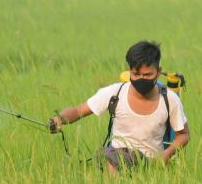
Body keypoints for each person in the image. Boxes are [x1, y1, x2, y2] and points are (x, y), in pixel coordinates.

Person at [48, 41, 190, 174]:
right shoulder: (115, 93)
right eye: (136, 74)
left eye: (147, 75)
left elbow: (183, 134)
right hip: (117, 157)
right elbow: (79, 110)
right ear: (129, 72)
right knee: (112, 158)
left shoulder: (170, 99)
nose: (141, 79)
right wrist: (59, 119)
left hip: (150, 164)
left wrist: (165, 155)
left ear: (158, 72)